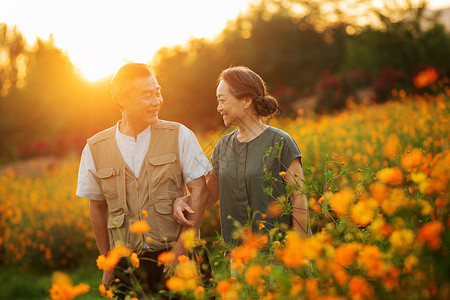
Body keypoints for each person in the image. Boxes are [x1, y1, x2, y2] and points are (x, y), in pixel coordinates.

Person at [76, 63, 211, 298]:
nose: (156, 100)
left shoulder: (180, 135)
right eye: (147, 95)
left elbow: (200, 191)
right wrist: (108, 261)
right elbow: (97, 206)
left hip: (179, 255)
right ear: (122, 99)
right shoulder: (95, 148)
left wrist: (180, 252)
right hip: (127, 265)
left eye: (157, 92)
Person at [174, 66, 310, 245]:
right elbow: (208, 196)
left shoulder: (281, 143)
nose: (219, 108)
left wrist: (298, 251)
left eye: (222, 100)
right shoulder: (223, 147)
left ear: (246, 100)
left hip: (279, 255)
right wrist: (182, 201)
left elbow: (299, 200)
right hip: (239, 255)